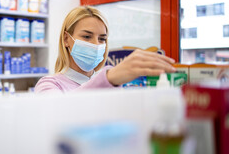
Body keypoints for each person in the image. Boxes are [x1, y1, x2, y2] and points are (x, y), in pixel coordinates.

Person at [35, 6, 176, 93]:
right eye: (86, 36)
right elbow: (57, 111)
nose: (96, 44)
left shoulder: (113, 83)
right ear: (66, 39)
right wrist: (108, 78)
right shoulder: (48, 84)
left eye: (102, 38)